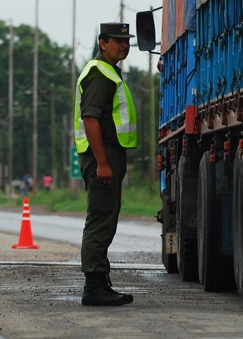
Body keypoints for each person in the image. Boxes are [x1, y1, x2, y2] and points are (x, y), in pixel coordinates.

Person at [74, 22, 138, 306]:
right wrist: (102, 162)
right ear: (103, 42)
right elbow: (90, 118)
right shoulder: (100, 73)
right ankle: (94, 286)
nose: (123, 45)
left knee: (105, 218)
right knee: (100, 219)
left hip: (108, 154)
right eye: (117, 40)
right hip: (101, 155)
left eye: (126, 41)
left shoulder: (109, 72)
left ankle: (100, 282)